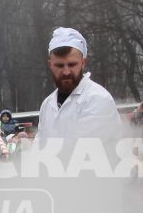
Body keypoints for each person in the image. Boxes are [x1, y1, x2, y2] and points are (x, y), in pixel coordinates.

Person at [32, 28, 125, 161]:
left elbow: (78, 151)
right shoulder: (47, 104)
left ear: (83, 62)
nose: (66, 72)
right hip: (59, 179)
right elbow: (39, 146)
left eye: (72, 64)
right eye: (59, 65)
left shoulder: (97, 99)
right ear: (50, 65)